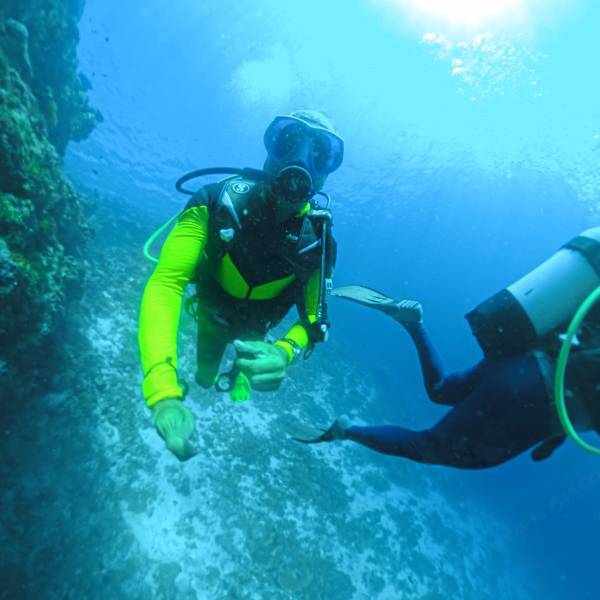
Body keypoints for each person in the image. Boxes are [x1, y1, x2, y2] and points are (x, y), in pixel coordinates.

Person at [138, 110, 343, 460]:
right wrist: (163, 393)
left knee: (249, 361)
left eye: (320, 154)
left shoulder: (319, 243)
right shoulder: (214, 202)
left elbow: (314, 323)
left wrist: (283, 352)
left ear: (326, 174)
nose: (299, 161)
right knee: (204, 377)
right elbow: (167, 284)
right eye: (288, 143)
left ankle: (241, 374)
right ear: (268, 149)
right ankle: (223, 375)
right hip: (211, 316)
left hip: (256, 330)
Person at [295, 284, 600, 469]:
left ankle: (414, 324)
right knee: (427, 447)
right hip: (537, 399)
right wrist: (554, 435)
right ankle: (345, 430)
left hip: (524, 360)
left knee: (441, 389)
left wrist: (555, 438)